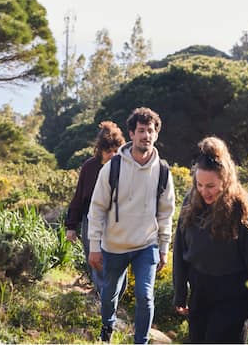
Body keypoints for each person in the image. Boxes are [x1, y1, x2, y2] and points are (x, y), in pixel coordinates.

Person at [87, 107, 176, 344]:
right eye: (141, 131)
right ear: (131, 134)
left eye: (150, 131)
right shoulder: (112, 168)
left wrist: (164, 248)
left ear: (156, 134)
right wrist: (94, 245)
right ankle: (108, 326)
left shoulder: (164, 172)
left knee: (145, 296)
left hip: (146, 245)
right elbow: (96, 209)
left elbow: (166, 214)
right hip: (114, 245)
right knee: (109, 295)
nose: (146, 135)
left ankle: (142, 341)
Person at [173, 136, 248, 344]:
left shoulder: (244, 209)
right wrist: (180, 292)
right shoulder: (191, 202)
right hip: (200, 294)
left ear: (225, 181)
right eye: (199, 184)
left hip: (233, 298)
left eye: (210, 186)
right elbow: (180, 249)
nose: (204, 191)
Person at [65, 121, 126, 296]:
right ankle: (103, 298)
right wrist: (71, 226)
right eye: (108, 152)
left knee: (118, 262)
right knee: (95, 260)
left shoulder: (125, 167)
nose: (112, 155)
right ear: (100, 150)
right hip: (91, 220)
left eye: (116, 151)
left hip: (117, 221)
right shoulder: (89, 167)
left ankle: (114, 299)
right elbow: (78, 198)